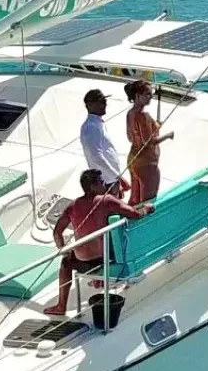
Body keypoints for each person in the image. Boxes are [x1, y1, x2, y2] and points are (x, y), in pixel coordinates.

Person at [47, 168, 152, 315]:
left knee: (65, 263)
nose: (105, 185)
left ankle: (61, 306)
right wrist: (146, 209)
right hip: (105, 260)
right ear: (92, 186)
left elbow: (57, 232)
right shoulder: (106, 201)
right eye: (102, 182)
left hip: (82, 262)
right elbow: (135, 214)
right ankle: (99, 279)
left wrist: (64, 250)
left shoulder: (73, 205)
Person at [124, 79, 171, 205]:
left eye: (151, 94)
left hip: (133, 159)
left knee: (135, 199)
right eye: (147, 94)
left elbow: (130, 137)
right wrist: (168, 135)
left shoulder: (130, 113)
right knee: (148, 201)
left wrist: (154, 126)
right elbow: (149, 142)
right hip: (147, 163)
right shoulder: (143, 115)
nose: (150, 97)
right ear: (138, 96)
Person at [80, 89, 126, 194]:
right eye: (101, 102)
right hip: (106, 182)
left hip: (110, 180)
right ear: (89, 105)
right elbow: (96, 156)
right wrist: (118, 177)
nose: (104, 104)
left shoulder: (97, 123)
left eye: (104, 101)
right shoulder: (92, 126)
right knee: (110, 209)